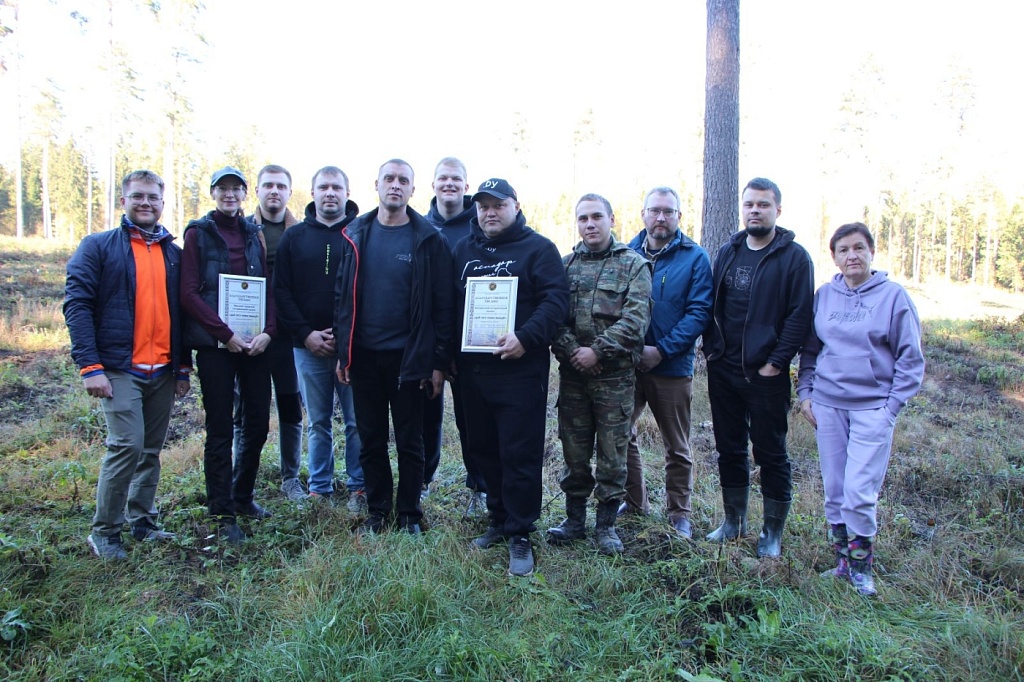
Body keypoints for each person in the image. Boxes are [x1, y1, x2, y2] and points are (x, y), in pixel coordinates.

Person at [64, 170, 190, 559]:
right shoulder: (99, 247)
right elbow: (77, 305)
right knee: (126, 445)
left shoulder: (174, 254)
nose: (145, 203)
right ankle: (104, 532)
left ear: (162, 203)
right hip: (119, 368)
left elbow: (181, 315)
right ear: (123, 201)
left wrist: (182, 368)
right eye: (137, 196)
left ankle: (143, 522)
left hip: (163, 371)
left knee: (150, 449)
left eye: (153, 197)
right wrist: (90, 366)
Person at [797, 222, 924, 596]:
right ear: (834, 257)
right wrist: (806, 393)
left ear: (871, 252)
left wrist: (890, 408)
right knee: (835, 490)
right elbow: (811, 349)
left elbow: (911, 359)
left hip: (872, 408)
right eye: (843, 250)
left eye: (858, 248)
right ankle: (842, 563)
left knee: (859, 492)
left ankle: (862, 568)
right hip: (828, 406)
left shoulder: (893, 297)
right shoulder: (824, 295)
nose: (851, 256)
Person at [453, 178, 570, 577]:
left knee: (519, 453)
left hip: (520, 371)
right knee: (483, 450)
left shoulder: (539, 250)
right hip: (472, 371)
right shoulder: (463, 251)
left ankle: (521, 533)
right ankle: (498, 520)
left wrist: (526, 337)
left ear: (516, 207)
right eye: (482, 206)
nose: (489, 212)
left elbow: (556, 302)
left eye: (497, 205)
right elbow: (448, 304)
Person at [333, 159, 453, 535]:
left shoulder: (428, 239)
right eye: (389, 179)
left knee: (409, 441)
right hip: (364, 358)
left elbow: (443, 305)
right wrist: (344, 353)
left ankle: (408, 515)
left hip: (409, 359)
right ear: (377, 185)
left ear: (414, 190)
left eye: (404, 180)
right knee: (370, 439)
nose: (395, 185)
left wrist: (438, 364)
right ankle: (378, 510)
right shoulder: (355, 234)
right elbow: (342, 298)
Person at [702, 177, 814, 557]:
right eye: (749, 204)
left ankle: (771, 533)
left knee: (771, 453)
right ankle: (734, 521)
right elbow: (712, 305)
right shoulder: (728, 251)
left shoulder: (794, 257)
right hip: (724, 371)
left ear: (777, 210)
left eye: (763, 205)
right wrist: (712, 351)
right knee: (729, 450)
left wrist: (776, 363)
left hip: (766, 375)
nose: (755, 210)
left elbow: (800, 316)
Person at [548, 193, 651, 555]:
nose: (589, 224)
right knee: (574, 453)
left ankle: (606, 526)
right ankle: (574, 521)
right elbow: (553, 316)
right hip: (574, 377)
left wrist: (598, 351)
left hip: (615, 379)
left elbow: (636, 320)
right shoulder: (564, 266)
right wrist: (574, 351)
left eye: (596, 217)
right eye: (583, 219)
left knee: (613, 455)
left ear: (612, 219)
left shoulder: (633, 265)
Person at [181, 166, 276, 544]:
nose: (230, 195)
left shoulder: (254, 234)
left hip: (253, 344)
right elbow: (188, 293)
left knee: (256, 423)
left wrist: (268, 331)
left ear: (244, 194)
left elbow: (267, 287)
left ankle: (243, 496)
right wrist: (225, 335)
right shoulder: (198, 234)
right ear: (213, 193)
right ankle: (222, 513)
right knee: (220, 428)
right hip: (215, 345)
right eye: (223, 189)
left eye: (237, 189)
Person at [623, 186, 714, 539]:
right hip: (627, 366)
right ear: (643, 214)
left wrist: (660, 350)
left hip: (672, 367)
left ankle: (679, 513)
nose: (661, 218)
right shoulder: (626, 253)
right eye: (655, 210)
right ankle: (634, 503)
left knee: (676, 445)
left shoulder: (695, 257)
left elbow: (698, 313)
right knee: (620, 435)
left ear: (679, 216)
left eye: (668, 211)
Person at [274, 166, 364, 511]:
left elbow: (365, 291)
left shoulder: (360, 233)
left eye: (336, 187)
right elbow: (282, 292)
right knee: (318, 421)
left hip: (353, 348)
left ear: (347, 191)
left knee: (356, 421)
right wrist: (306, 334)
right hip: (307, 347)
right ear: (311, 193)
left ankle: (358, 487)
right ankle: (320, 488)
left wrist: (346, 342)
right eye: (323, 187)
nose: (330, 193)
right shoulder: (294, 238)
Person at [234, 164, 306, 503]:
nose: (274, 191)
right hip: (248, 334)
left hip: (288, 336)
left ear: (289, 193)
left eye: (280, 186)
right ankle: (240, 475)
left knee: (291, 404)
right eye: (267, 186)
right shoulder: (242, 230)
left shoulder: (300, 232)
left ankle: (290, 477)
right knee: (247, 408)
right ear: (257, 192)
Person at [421, 157, 487, 515]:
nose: (449, 184)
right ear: (433, 185)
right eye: (443, 178)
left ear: (466, 185)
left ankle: (479, 487)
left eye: (456, 179)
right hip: (427, 343)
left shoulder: (479, 226)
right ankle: (423, 481)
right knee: (425, 417)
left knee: (471, 418)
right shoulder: (417, 226)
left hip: (469, 343)